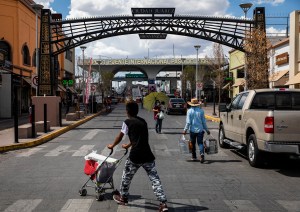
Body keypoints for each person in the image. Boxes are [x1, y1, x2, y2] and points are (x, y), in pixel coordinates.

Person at [107, 101, 168, 212]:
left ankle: (123, 198)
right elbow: (139, 137)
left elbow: (120, 136)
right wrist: (129, 144)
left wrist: (112, 145)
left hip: (135, 156)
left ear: (127, 111)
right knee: (155, 179)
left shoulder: (127, 122)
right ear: (137, 111)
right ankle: (163, 203)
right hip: (147, 155)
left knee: (126, 177)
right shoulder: (143, 122)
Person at [183, 98, 210, 163]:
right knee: (200, 143)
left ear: (191, 104)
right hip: (200, 130)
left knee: (193, 143)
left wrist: (185, 130)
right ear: (197, 104)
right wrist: (207, 130)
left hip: (192, 130)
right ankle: (202, 154)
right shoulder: (201, 111)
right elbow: (203, 122)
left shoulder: (189, 111)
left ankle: (194, 156)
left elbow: (188, 122)